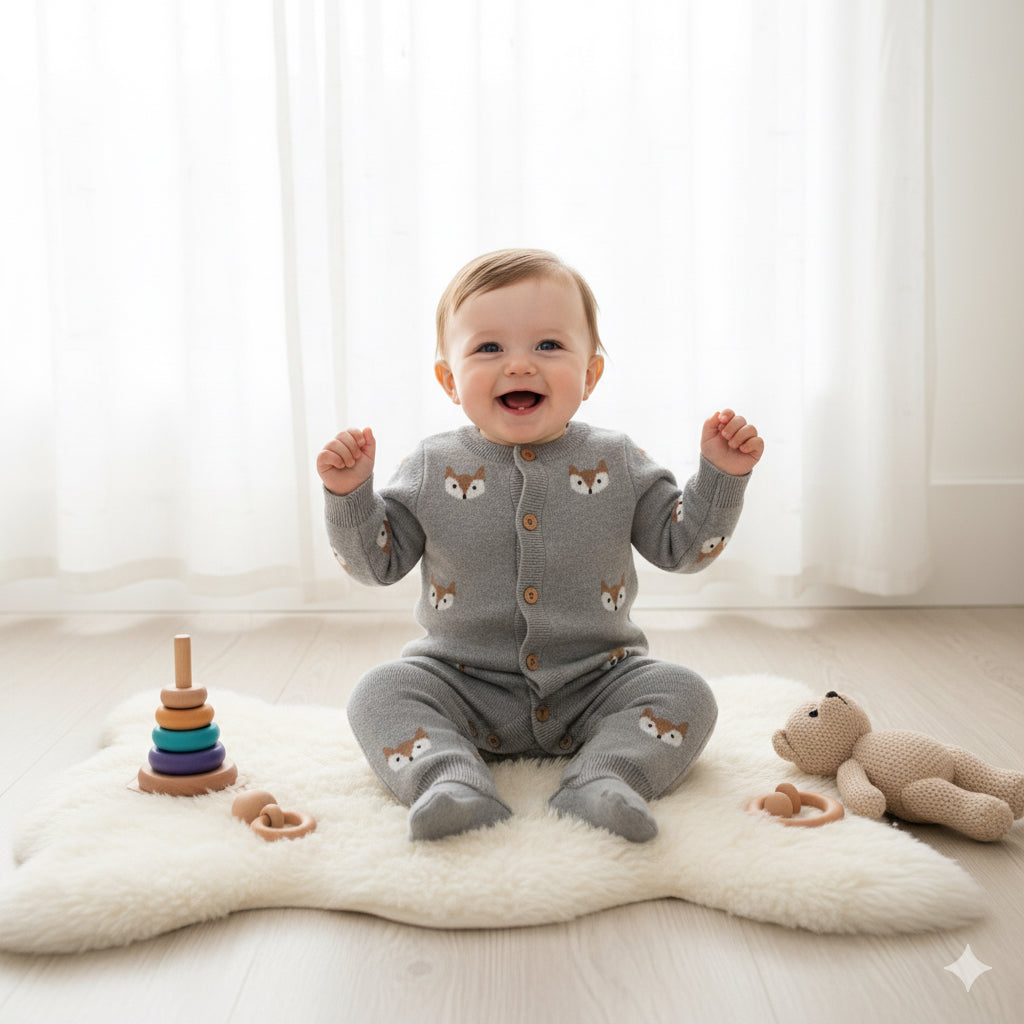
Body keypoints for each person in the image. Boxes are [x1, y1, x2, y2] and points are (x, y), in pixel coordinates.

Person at [316, 248, 764, 842]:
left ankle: (605, 777)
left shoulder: (618, 460)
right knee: (378, 692)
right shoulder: (432, 465)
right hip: (460, 680)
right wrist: (349, 495)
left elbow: (685, 549)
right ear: (449, 380)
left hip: (597, 679)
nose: (520, 365)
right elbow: (376, 564)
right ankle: (448, 781)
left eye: (549, 346)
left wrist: (720, 477)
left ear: (591, 373)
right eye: (489, 348)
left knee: (687, 694)